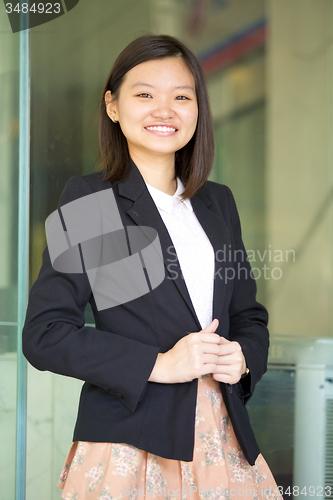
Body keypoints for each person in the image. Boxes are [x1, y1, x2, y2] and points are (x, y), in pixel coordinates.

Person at [22, 34, 283, 500]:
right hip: (133, 441)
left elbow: (249, 317)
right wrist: (159, 364)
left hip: (224, 438)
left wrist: (244, 358)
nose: (165, 110)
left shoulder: (216, 203)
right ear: (113, 106)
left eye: (181, 97)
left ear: (198, 109)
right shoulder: (95, 202)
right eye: (144, 95)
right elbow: (47, 334)